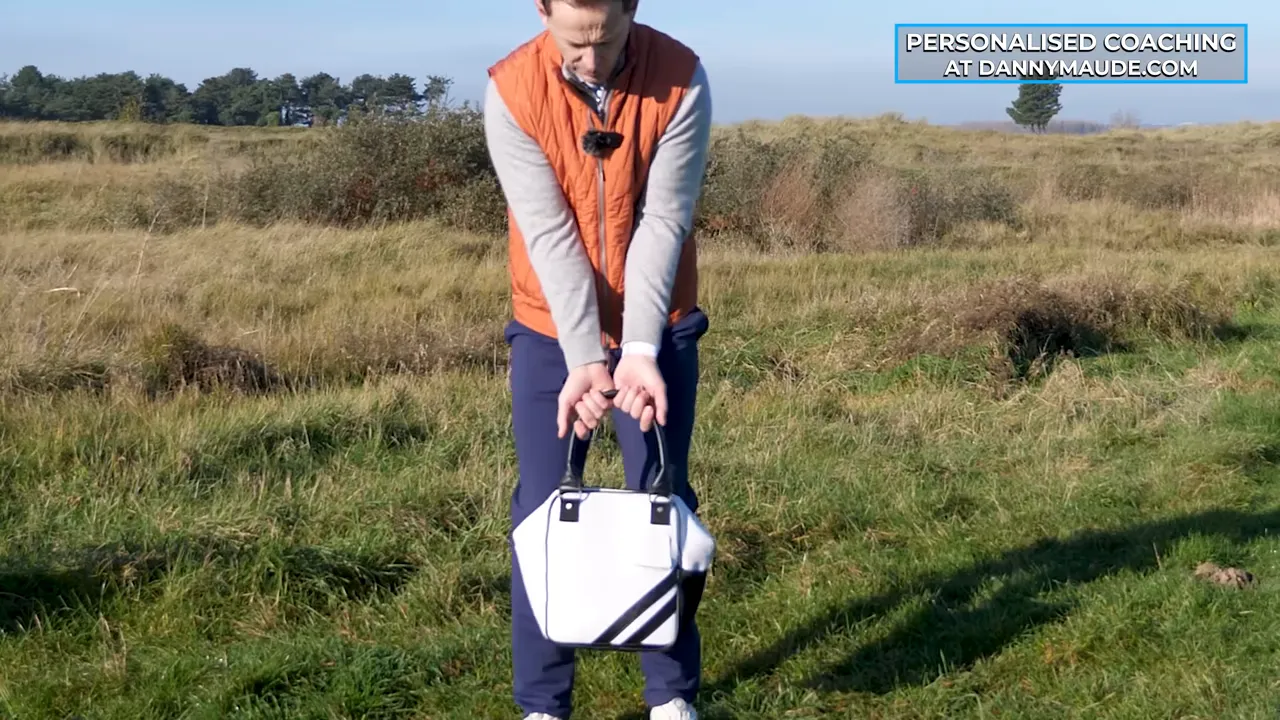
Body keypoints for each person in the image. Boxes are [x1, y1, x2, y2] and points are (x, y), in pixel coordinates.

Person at [482, 0, 713, 718]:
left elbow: (664, 219)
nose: (589, 60)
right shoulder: (511, 90)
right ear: (542, 9)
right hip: (550, 328)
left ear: (632, 7)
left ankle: (670, 697)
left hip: (659, 323)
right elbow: (547, 232)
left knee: (661, 497)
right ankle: (543, 704)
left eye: (606, 41)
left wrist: (638, 347)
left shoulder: (682, 78)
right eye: (573, 43)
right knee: (543, 510)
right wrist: (585, 355)